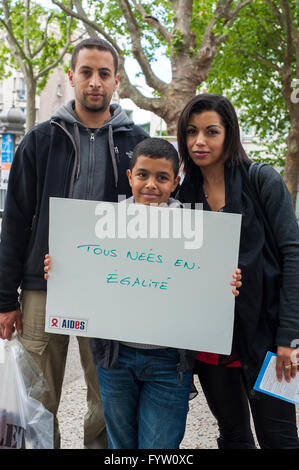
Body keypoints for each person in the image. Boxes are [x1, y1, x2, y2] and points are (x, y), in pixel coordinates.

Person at [44, 137, 242, 449]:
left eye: (162, 177)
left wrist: (226, 281)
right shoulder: (100, 223)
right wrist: (61, 271)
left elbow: (211, 284)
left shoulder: (198, 229)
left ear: (176, 182)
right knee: (120, 446)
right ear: (129, 177)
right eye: (143, 175)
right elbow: (84, 274)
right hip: (115, 359)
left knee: (160, 447)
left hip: (169, 362)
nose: (151, 185)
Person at [0, 38, 148, 449]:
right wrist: (4, 299)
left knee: (107, 397)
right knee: (37, 395)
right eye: (86, 72)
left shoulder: (136, 144)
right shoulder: (40, 140)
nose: (95, 82)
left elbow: (157, 220)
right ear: (72, 77)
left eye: (104, 73)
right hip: (42, 287)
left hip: (109, 288)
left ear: (117, 80)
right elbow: (14, 222)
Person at [176, 93, 299, 449]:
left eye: (211, 132)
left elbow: (293, 256)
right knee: (232, 436)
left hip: (268, 343)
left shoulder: (262, 180)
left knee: (281, 439)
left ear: (229, 135)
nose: (200, 141)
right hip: (212, 347)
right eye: (191, 132)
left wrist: (289, 338)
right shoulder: (184, 197)